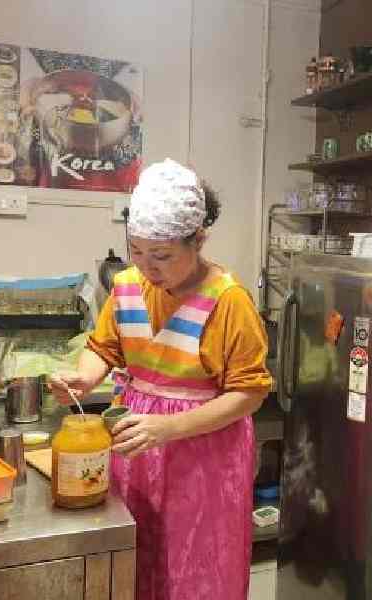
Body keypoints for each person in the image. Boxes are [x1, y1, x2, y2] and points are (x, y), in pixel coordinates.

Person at [49, 158, 271, 599]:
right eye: (138, 251)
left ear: (199, 240)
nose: (148, 266)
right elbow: (104, 348)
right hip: (138, 442)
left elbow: (248, 394)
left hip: (204, 453)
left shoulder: (228, 301)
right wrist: (85, 379)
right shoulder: (128, 286)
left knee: (197, 565)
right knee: (140, 553)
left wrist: (168, 427)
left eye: (163, 255)